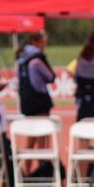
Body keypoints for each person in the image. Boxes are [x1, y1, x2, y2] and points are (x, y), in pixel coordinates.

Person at [16, 32, 56, 171]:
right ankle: (42, 170)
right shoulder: (37, 58)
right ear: (35, 41)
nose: (44, 46)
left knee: (30, 136)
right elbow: (50, 76)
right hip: (40, 101)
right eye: (43, 42)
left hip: (26, 101)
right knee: (42, 139)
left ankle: (24, 171)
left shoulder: (21, 58)